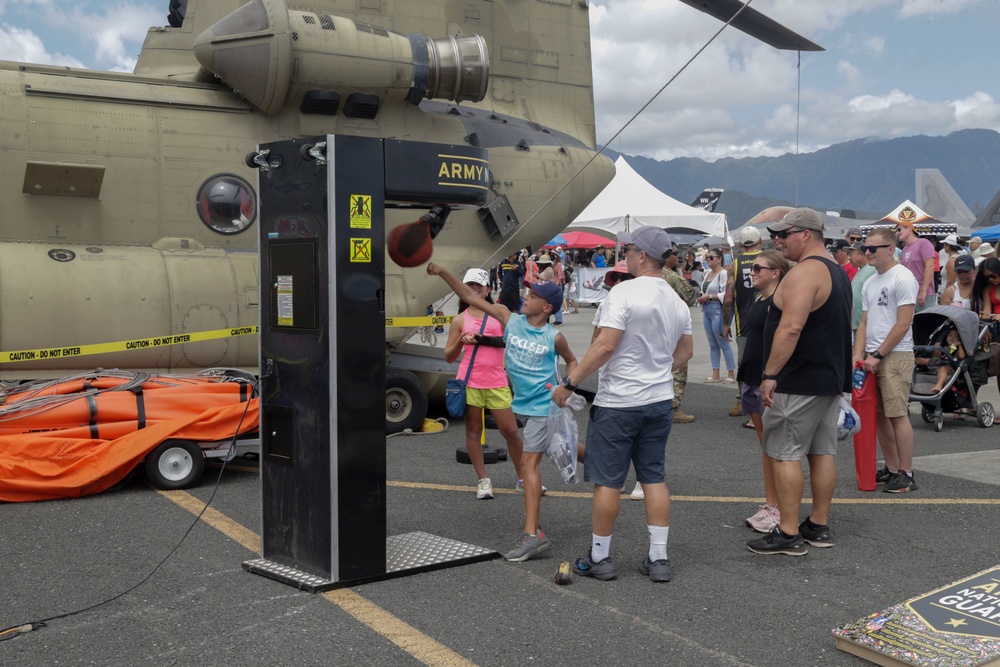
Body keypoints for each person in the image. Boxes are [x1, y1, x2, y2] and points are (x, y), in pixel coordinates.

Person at [553, 226, 693, 582]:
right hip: (658, 400)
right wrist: (657, 369)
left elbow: (604, 346)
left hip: (619, 402)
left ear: (642, 255)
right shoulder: (677, 301)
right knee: (653, 477)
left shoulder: (623, 293)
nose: (625, 255)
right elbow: (686, 352)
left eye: (629, 249)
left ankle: (600, 557)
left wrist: (569, 384)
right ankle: (658, 559)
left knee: (608, 481)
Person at [427, 264, 578, 562]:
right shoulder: (510, 320)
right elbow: (468, 298)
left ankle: (533, 535)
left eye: (532, 294)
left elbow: (573, 361)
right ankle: (608, 463)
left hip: (543, 407)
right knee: (563, 447)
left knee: (530, 463)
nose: (525, 295)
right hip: (523, 403)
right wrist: (444, 272)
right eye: (526, 290)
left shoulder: (554, 337)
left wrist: (568, 387)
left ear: (546, 307)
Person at [747, 208, 851, 556]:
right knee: (821, 452)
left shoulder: (805, 273)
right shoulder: (837, 272)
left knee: (784, 453)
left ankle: (788, 532)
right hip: (828, 377)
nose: (778, 241)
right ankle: (817, 525)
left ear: (806, 234)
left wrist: (770, 375)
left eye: (784, 234)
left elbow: (791, 327)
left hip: (798, 378)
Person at [440, 269, 526, 500]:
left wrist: (484, 339)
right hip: (469, 383)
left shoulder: (499, 312)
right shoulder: (460, 320)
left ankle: (523, 478)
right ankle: (483, 480)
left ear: (488, 289)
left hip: (497, 382)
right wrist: (460, 339)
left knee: (511, 432)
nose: (475, 289)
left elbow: (514, 340)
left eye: (479, 285)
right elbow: (448, 356)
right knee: (474, 432)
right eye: (469, 285)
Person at [854, 227, 919, 493]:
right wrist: (858, 355)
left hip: (895, 354)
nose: (867, 253)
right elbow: (864, 322)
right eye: (865, 248)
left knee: (897, 414)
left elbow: (903, 324)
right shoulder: (870, 281)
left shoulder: (902, 278)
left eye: (872, 249)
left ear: (890, 249)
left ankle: (906, 472)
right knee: (879, 416)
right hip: (872, 356)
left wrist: (878, 354)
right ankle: (892, 468)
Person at [738, 250, 791, 533]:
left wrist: (771, 376)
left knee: (776, 447)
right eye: (753, 267)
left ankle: (780, 508)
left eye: (759, 267)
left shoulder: (779, 302)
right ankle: (772, 504)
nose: (752, 271)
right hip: (751, 377)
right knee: (766, 447)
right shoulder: (760, 299)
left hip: (766, 379)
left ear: (776, 272)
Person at [724, 226, 763, 417]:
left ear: (740, 244)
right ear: (760, 241)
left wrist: (725, 323)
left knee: (745, 362)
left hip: (745, 322)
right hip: (770, 319)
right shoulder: (771, 260)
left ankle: (743, 400)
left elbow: (729, 296)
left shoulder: (735, 265)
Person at [661, 244, 698, 425]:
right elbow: (690, 296)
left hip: (655, 329)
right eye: (675, 254)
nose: (678, 257)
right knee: (679, 367)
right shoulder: (670, 275)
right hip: (672, 327)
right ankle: (673, 408)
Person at [697, 249, 736, 384]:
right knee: (712, 344)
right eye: (707, 257)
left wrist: (709, 297)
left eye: (711, 257)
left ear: (720, 259)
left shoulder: (723, 273)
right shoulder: (707, 273)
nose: (708, 260)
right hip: (707, 309)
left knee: (723, 343)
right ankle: (716, 373)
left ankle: (731, 373)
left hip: (717, 309)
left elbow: (727, 294)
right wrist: (703, 295)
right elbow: (705, 289)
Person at [972, 256, 1000, 424]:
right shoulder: (988, 288)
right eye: (988, 277)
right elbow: (987, 311)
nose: (991, 280)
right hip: (995, 331)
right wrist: (984, 320)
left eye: (993, 276)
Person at [897, 220, 936, 312]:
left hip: (924, 294)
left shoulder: (923, 243)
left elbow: (930, 266)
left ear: (909, 229)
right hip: (909, 293)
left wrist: (923, 291)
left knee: (924, 324)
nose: (897, 233)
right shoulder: (904, 249)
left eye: (899, 229)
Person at [919, 327, 966, 394]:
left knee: (943, 369)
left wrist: (960, 345)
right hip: (938, 364)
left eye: (955, 336)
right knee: (924, 360)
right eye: (950, 335)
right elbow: (940, 357)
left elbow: (961, 356)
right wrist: (936, 350)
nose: (952, 338)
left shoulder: (957, 348)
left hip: (950, 368)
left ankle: (939, 385)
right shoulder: (944, 346)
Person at [848, 242, 877, 341]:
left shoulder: (872, 269)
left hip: (866, 326)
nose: (849, 257)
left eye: (851, 254)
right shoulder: (861, 271)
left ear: (861, 254)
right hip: (857, 325)